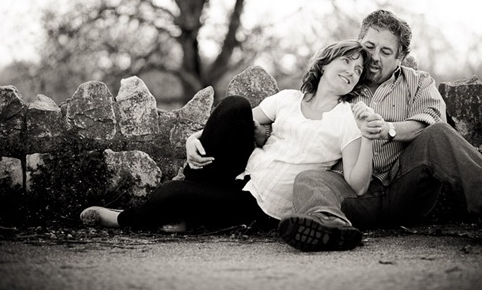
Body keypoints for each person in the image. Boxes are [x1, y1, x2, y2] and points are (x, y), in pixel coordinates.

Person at [276, 9, 482, 252]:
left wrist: (389, 129)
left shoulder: (418, 82)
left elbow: (432, 118)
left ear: (400, 58)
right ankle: (332, 227)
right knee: (309, 178)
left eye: (386, 51)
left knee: (440, 133)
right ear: (359, 43)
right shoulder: (340, 80)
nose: (375, 57)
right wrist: (266, 131)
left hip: (406, 187)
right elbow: (303, 117)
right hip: (352, 191)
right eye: (369, 47)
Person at [81, 40, 374, 244]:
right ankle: (192, 188)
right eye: (346, 61)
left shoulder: (348, 118)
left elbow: (358, 185)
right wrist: (193, 138)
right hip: (240, 174)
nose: (351, 71)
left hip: (262, 205)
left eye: (358, 70)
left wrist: (369, 137)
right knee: (235, 103)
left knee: (170, 193)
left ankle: (124, 219)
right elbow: (235, 121)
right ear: (324, 65)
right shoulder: (287, 100)